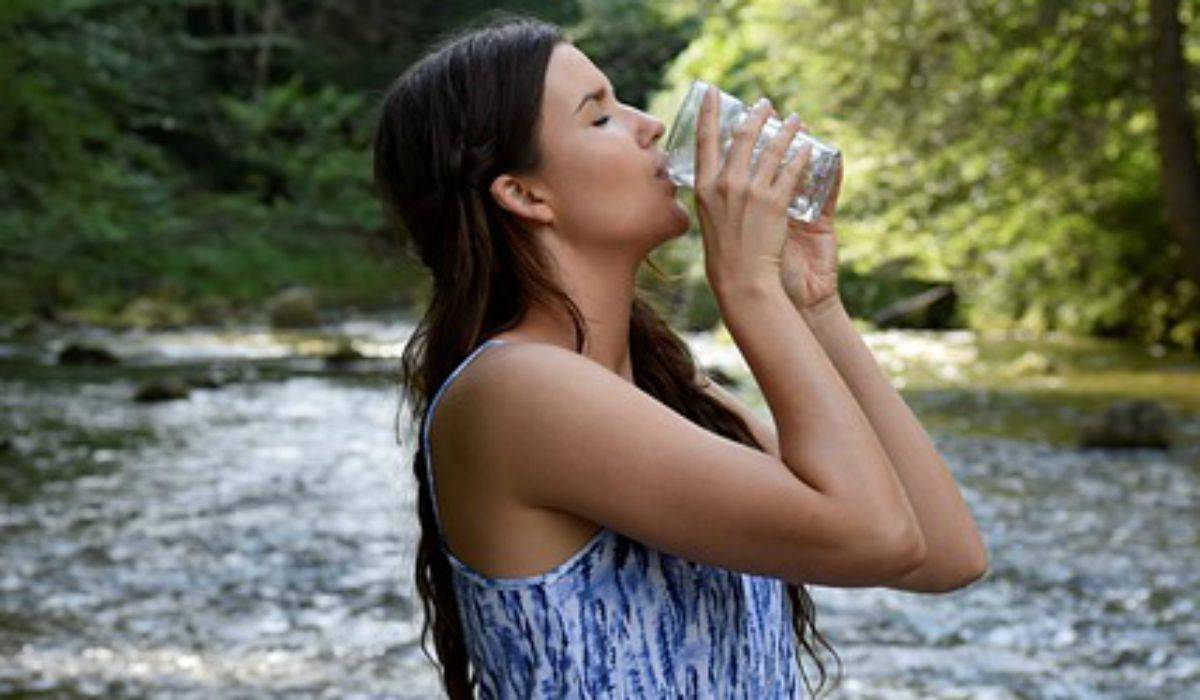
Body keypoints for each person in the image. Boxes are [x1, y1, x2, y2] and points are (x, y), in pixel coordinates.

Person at [373, 12, 988, 699]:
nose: (650, 126)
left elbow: (944, 553)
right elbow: (876, 535)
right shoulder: (516, 390)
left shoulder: (669, 394)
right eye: (599, 117)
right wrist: (748, 288)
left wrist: (813, 304)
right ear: (525, 194)